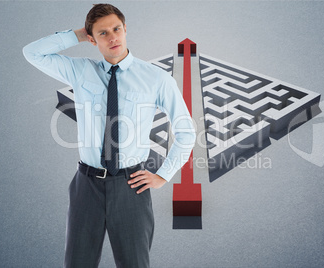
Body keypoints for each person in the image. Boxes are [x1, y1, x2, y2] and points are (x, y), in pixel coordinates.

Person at [23, 3, 196, 268]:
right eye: (103, 33)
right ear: (92, 39)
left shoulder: (156, 79)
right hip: (86, 185)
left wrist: (163, 175)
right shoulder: (80, 71)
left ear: (125, 29)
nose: (113, 36)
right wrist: (79, 34)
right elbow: (32, 53)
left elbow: (186, 131)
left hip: (131, 186)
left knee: (134, 263)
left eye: (116, 29)